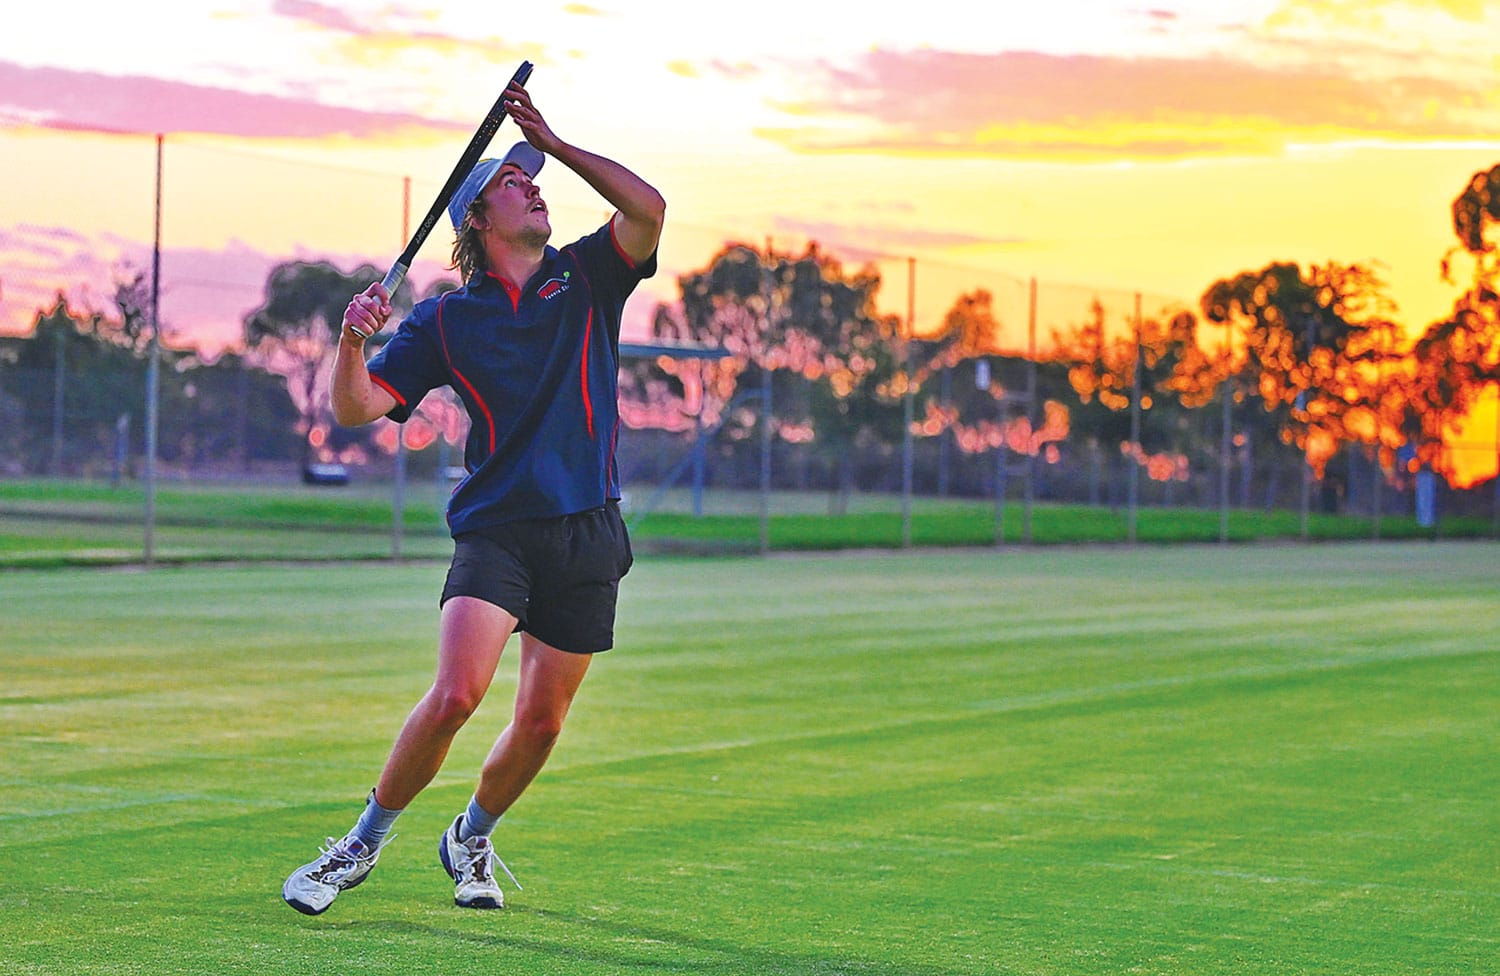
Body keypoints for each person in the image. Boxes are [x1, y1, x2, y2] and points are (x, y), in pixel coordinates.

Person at [282, 78, 664, 916]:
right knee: (458, 694)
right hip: (498, 531)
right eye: (514, 181)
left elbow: (648, 209)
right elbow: (356, 409)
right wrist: (352, 344)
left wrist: (556, 144)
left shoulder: (590, 275)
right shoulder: (447, 320)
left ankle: (471, 835)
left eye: (535, 179)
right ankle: (361, 843)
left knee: (541, 726)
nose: (534, 186)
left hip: (588, 531)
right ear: (478, 221)